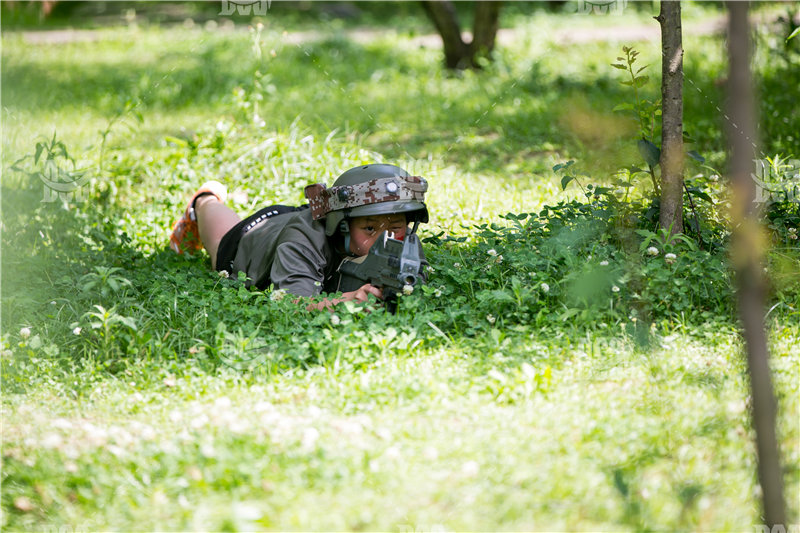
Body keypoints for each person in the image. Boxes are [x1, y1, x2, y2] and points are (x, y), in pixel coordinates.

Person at [169, 163, 429, 310]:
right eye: (370, 229)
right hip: (255, 237)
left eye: (394, 226)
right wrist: (346, 301)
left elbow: (418, 279)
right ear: (342, 226)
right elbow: (292, 304)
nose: (386, 238)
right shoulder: (302, 242)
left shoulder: (401, 241)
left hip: (308, 219)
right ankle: (203, 201)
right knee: (220, 242)